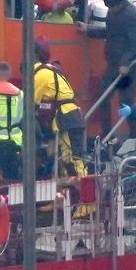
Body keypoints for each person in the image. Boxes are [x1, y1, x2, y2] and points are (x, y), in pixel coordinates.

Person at [33, 38, 93, 218]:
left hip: (66, 120)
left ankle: (88, 205)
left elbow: (32, 106)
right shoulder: (48, 72)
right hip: (66, 119)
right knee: (62, 164)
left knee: (75, 162)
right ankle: (61, 200)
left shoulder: (39, 75)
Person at [77, 0, 136, 138]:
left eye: (112, 7)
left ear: (120, 3)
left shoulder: (133, 15)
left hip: (129, 69)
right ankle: (107, 133)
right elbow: (109, 32)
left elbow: (135, 43)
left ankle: (135, 134)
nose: (110, 10)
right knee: (102, 97)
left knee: (125, 100)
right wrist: (88, 29)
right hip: (113, 65)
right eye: (108, 7)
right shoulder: (113, 12)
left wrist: (126, 63)